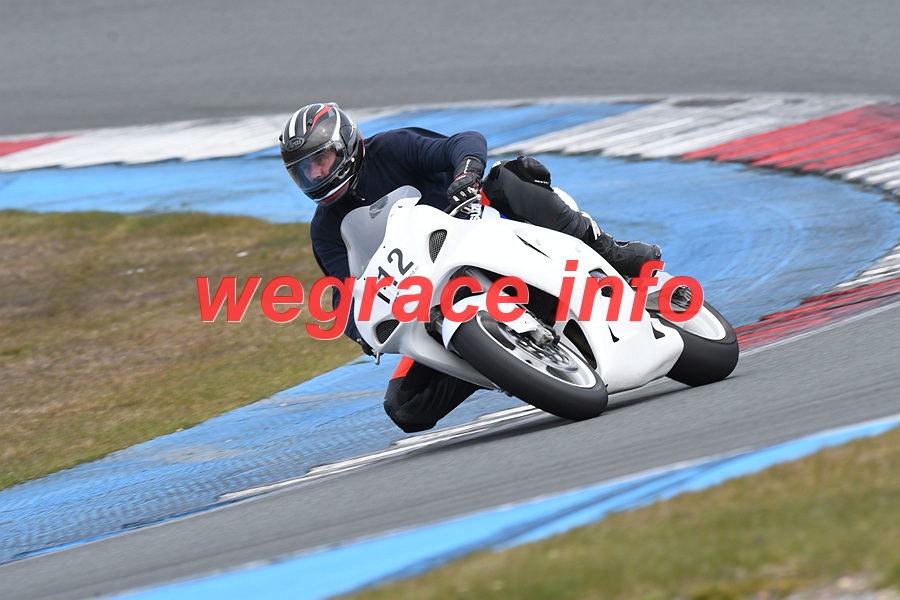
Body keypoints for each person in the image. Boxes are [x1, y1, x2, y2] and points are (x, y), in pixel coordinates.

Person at [280, 102, 661, 433]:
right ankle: (498, 359)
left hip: (476, 226)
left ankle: (607, 250)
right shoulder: (325, 230)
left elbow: (463, 142)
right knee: (405, 407)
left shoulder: (392, 147)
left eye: (320, 161)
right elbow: (346, 291)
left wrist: (466, 174)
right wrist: (361, 328)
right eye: (305, 171)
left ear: (345, 146)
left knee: (511, 176)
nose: (316, 175)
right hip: (430, 297)